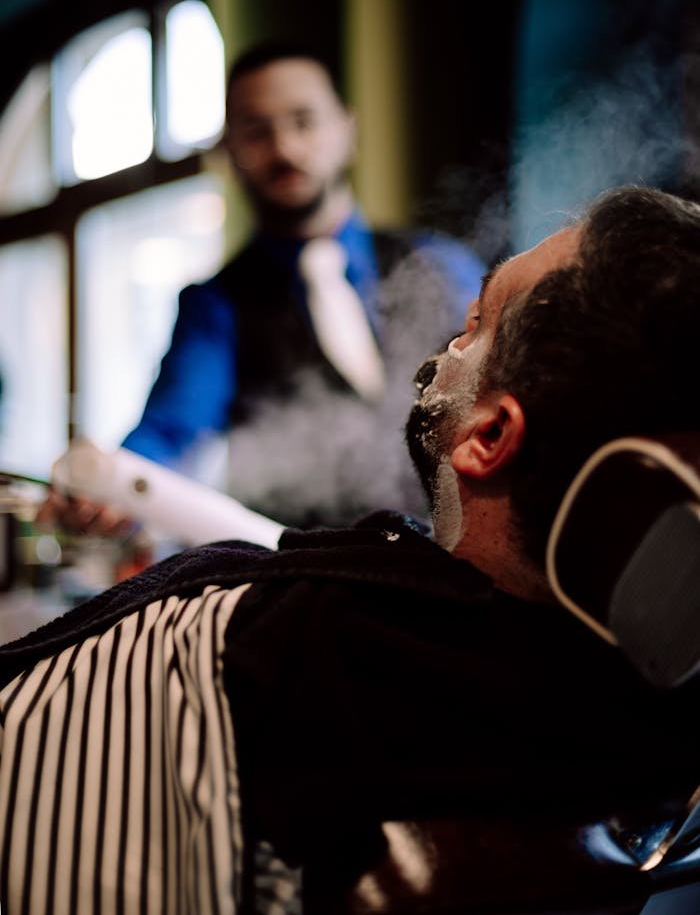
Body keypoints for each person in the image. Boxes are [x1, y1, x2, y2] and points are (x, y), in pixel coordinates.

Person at [1, 185, 698, 915]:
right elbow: (175, 423)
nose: (444, 346)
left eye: (474, 322)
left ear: (489, 437)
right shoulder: (647, 721)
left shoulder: (277, 644)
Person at [119, 39, 486, 528]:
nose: (284, 148)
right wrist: (115, 481)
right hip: (299, 579)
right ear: (229, 150)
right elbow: (170, 430)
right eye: (256, 131)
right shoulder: (216, 305)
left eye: (303, 122)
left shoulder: (437, 264)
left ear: (347, 131)